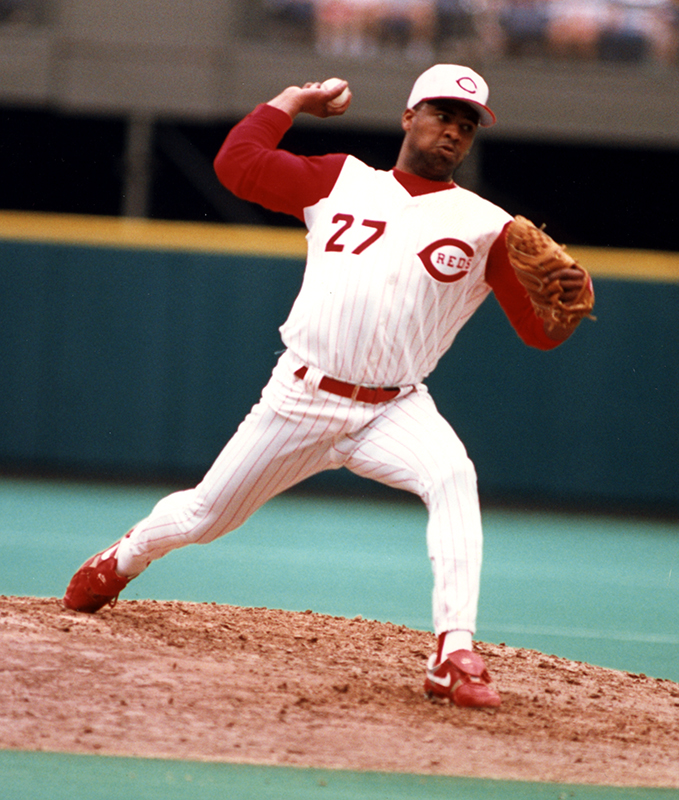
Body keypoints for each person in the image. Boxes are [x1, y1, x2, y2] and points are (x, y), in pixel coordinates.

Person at [63, 64, 591, 709]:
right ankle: (125, 557)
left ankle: (454, 652)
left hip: (394, 407)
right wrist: (290, 100)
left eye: (466, 123)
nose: (452, 130)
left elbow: (539, 335)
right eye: (441, 114)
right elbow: (238, 167)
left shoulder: (489, 228)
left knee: (453, 477)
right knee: (205, 516)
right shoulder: (340, 179)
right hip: (300, 398)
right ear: (409, 116)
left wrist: (571, 301)